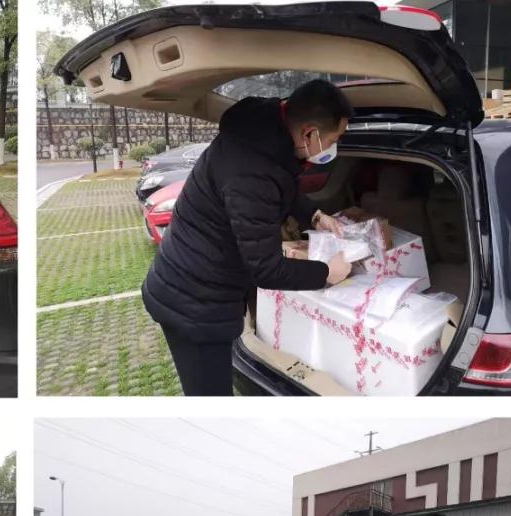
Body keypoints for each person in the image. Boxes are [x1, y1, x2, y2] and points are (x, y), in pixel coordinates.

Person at [142, 79, 356, 395]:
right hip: (194, 303)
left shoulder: (263, 133)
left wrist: (314, 215)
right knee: (211, 400)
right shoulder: (252, 173)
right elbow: (265, 268)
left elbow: (282, 183)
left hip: (191, 279)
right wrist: (327, 272)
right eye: (334, 139)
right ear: (309, 134)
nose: (335, 146)